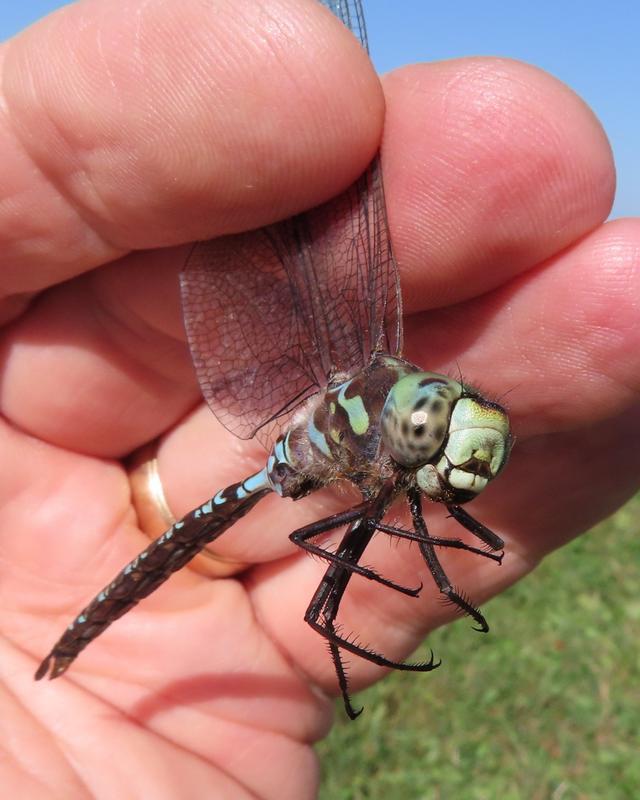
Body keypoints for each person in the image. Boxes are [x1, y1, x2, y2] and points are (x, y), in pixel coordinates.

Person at [1, 1, 638, 798]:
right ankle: (73, 646)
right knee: (349, 595)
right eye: (430, 426)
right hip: (258, 485)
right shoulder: (378, 463)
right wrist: (437, 578)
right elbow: (347, 579)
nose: (446, 438)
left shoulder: (395, 443)